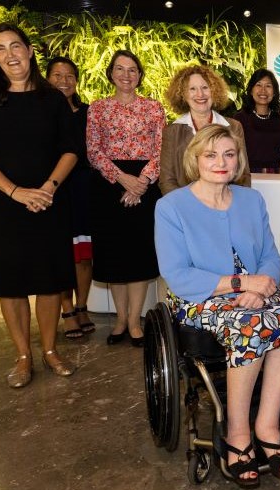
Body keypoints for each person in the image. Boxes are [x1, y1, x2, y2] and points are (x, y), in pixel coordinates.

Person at [155, 125, 280, 488]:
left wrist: (260, 289)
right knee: (251, 325)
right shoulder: (172, 206)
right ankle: (236, 433)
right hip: (199, 298)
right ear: (195, 159)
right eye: (211, 155)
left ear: (238, 161)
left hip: (253, 295)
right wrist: (241, 284)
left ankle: (267, 423)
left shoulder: (251, 200)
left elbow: (271, 257)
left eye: (229, 154)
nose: (221, 162)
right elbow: (177, 274)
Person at [0, 23, 77, 388]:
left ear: (28, 50)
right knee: (11, 284)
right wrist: (15, 191)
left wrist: (47, 188)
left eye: (15, 46)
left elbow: (71, 149)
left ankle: (50, 351)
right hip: (4, 205)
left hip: (49, 201)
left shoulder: (52, 98)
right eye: (0, 49)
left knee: (49, 280)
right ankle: (23, 356)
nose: (10, 55)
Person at [86, 49, 166, 347]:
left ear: (140, 75)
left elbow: (161, 149)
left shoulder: (154, 108)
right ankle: (120, 319)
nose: (126, 75)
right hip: (109, 185)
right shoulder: (97, 109)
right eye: (120, 69)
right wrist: (123, 180)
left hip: (145, 183)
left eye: (132, 69)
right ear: (111, 73)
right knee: (114, 256)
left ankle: (135, 322)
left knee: (138, 254)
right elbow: (93, 151)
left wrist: (141, 182)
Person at [46, 56, 95, 340]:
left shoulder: (88, 112)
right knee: (61, 253)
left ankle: (82, 306)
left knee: (84, 254)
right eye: (57, 75)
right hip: (53, 189)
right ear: (48, 77)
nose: (64, 81)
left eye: (69, 76)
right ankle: (66, 310)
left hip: (82, 187)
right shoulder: (39, 112)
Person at [159, 65, 248, 195]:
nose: (200, 94)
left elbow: (243, 175)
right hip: (186, 208)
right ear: (183, 95)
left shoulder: (234, 127)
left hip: (225, 205)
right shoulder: (172, 132)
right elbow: (166, 180)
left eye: (205, 87)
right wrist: (187, 207)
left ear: (214, 91)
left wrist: (230, 204)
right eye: (192, 89)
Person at [233, 68, 280, 174]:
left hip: (275, 175)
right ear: (251, 90)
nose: (263, 90)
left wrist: (279, 181)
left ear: (274, 92)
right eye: (259, 85)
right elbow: (232, 154)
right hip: (246, 176)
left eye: (268, 86)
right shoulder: (239, 119)